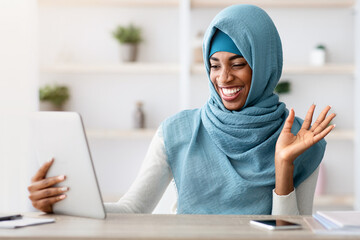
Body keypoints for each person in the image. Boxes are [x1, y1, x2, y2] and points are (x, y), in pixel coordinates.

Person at [27, 4, 335, 215]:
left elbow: (293, 233)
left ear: (265, 65)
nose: (224, 78)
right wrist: (62, 203)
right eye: (214, 65)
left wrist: (283, 165)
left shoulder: (300, 141)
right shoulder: (177, 131)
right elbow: (132, 209)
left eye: (238, 64)